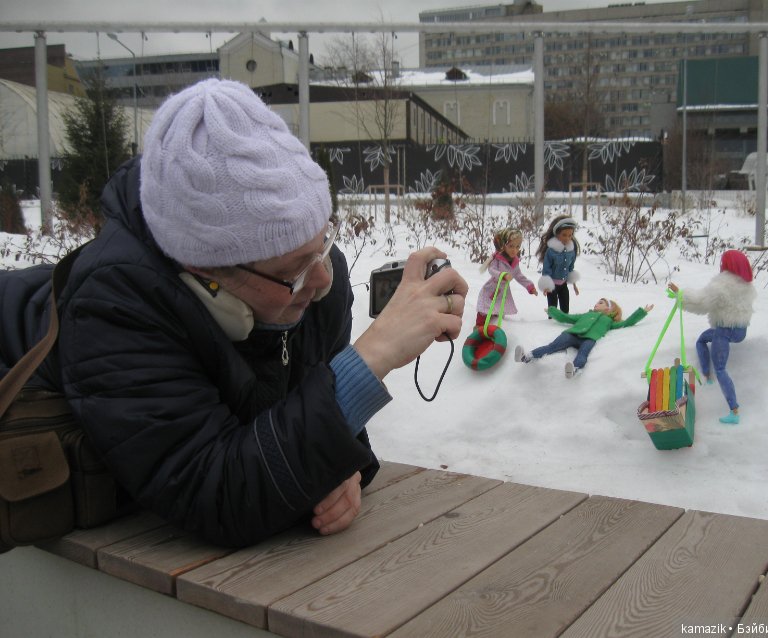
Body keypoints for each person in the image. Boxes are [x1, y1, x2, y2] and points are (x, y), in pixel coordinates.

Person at [0, 79, 467, 547]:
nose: (322, 279)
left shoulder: (315, 278)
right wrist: (372, 356)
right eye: (293, 270)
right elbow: (214, 492)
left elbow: (309, 411)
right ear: (205, 273)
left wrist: (341, 466)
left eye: (322, 244)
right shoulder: (113, 307)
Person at [668, 249, 755, 425]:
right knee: (702, 339)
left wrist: (680, 295)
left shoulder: (721, 286)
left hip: (724, 330)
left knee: (721, 369)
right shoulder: (746, 285)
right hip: (740, 330)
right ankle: (707, 376)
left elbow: (701, 302)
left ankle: (734, 411)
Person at [515, 298, 653, 378]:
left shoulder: (610, 321)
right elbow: (567, 317)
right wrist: (552, 311)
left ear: (609, 309)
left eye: (601, 303)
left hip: (589, 339)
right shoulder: (586, 315)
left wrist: (642, 312)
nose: (596, 304)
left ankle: (575, 369)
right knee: (552, 346)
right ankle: (527, 356)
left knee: (583, 354)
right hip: (572, 333)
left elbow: (626, 323)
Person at [475, 228, 537, 326]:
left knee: (499, 309)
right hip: (492, 288)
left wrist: (530, 287)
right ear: (504, 245)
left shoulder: (515, 262)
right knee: (485, 307)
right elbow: (492, 269)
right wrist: (502, 275)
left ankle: (495, 326)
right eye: (511, 246)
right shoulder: (498, 259)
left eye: (517, 247)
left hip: (503, 291)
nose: (514, 250)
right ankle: (479, 326)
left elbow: (519, 276)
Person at [535, 215, 580, 313]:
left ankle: (564, 319)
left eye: (570, 235)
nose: (567, 238)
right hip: (552, 285)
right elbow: (546, 269)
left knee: (565, 307)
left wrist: (574, 284)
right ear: (556, 234)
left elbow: (570, 268)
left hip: (563, 285)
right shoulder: (551, 252)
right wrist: (546, 285)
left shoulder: (571, 251)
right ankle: (551, 323)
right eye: (564, 235)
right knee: (553, 308)